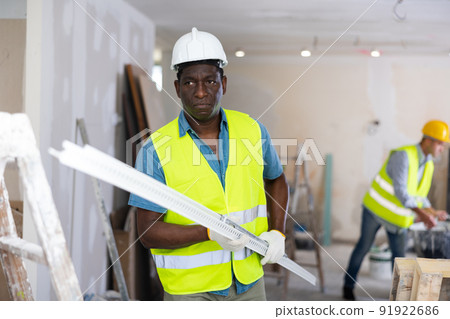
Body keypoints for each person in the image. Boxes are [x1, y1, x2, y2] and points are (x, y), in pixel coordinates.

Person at [128, 27, 288, 301]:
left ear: (223, 84)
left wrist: (277, 232)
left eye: (210, 82)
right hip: (190, 292)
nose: (201, 92)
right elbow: (148, 232)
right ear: (177, 88)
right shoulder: (155, 149)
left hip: (249, 284)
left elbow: (276, 179)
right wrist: (208, 233)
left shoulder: (252, 130)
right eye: (189, 82)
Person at [343, 120, 450, 300]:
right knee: (363, 246)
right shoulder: (403, 156)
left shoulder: (429, 164)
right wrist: (424, 216)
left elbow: (419, 195)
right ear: (428, 141)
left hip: (397, 219)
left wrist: (432, 212)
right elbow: (402, 192)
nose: (442, 149)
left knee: (401, 260)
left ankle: (399, 299)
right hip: (375, 211)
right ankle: (348, 287)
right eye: (440, 144)